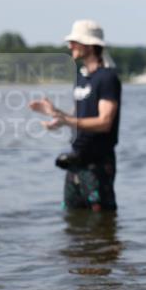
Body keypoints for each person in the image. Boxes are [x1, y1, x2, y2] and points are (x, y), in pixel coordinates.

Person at [29, 20, 121, 211]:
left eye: (75, 41)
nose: (70, 45)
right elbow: (79, 116)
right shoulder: (81, 77)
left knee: (102, 221)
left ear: (89, 45)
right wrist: (57, 116)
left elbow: (104, 122)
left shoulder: (107, 78)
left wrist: (68, 120)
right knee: (72, 221)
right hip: (76, 161)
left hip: (98, 163)